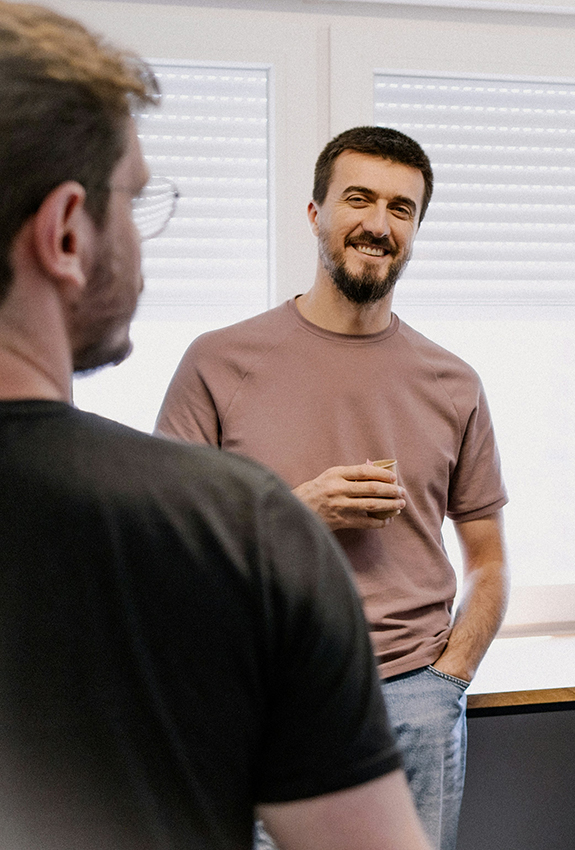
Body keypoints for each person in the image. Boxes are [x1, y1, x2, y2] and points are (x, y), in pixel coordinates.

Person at [0, 4, 433, 849]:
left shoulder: (444, 379)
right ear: (63, 233)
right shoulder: (235, 524)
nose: (139, 235)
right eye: (132, 198)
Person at [156, 125, 509, 850]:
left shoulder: (452, 381)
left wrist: (449, 680)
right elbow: (162, 556)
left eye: (401, 209)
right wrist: (296, 509)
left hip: (415, 700)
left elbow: (489, 561)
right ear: (315, 214)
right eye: (359, 199)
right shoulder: (219, 362)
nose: (379, 224)